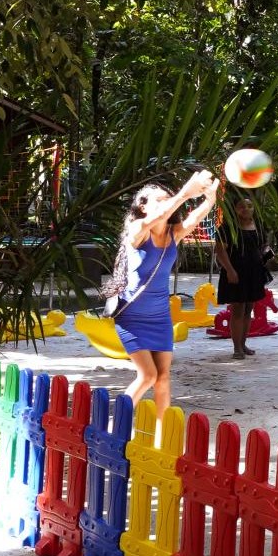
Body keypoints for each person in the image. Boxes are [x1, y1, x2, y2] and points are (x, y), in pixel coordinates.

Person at [102, 170, 219, 416]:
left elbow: (196, 217)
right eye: (160, 199)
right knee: (148, 375)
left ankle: (161, 435)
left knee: (163, 378)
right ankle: (115, 423)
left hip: (160, 318)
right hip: (132, 317)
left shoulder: (173, 233)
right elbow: (161, 214)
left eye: (168, 198)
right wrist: (185, 192)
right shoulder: (138, 230)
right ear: (143, 207)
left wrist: (209, 198)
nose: (166, 202)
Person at [215, 196, 271, 360]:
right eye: (241, 206)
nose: (246, 209)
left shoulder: (258, 226)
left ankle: (243, 344)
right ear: (234, 209)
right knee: (238, 310)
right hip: (235, 272)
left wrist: (267, 254)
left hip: (254, 272)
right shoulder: (226, 228)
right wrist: (230, 270)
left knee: (249, 309)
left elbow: (263, 245)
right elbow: (220, 251)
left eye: (249, 205)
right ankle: (237, 348)